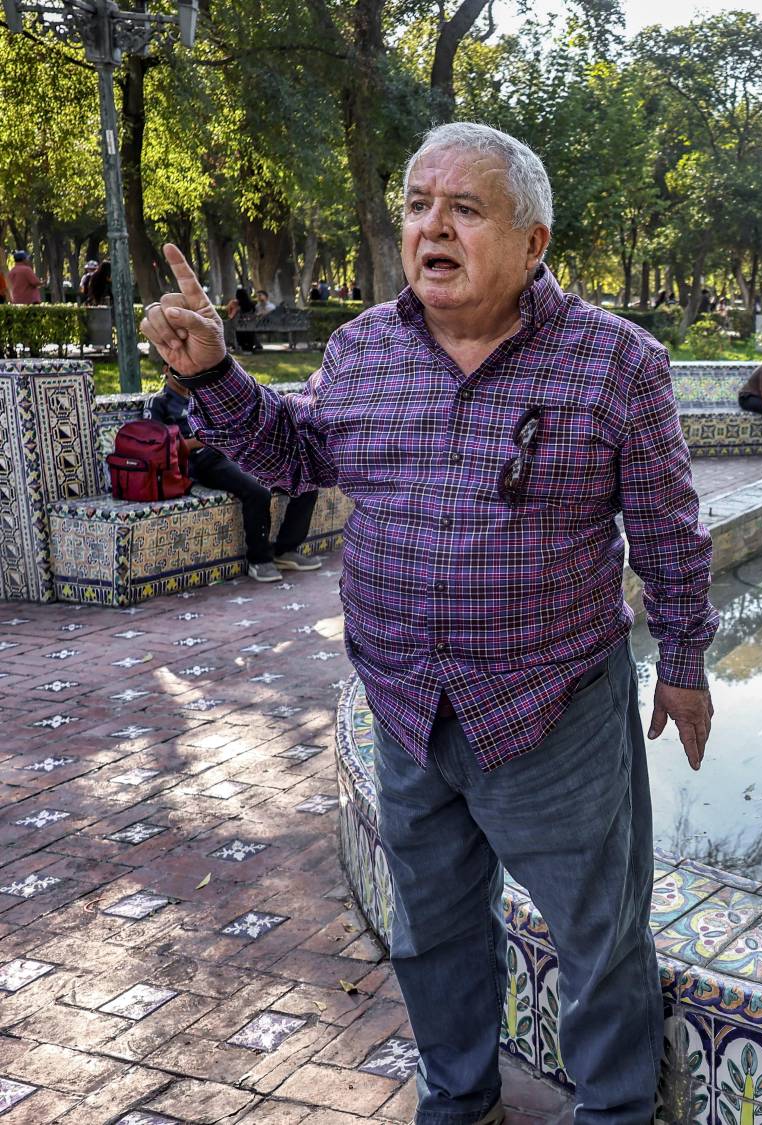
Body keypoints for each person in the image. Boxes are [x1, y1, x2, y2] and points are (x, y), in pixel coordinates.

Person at [140, 121, 717, 1125]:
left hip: (553, 713)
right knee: (435, 930)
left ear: (532, 242)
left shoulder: (616, 363)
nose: (432, 227)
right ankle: (458, 1096)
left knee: (599, 940)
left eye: (465, 208)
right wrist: (215, 377)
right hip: (406, 705)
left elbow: (667, 528)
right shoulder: (364, 348)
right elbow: (292, 459)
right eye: (417, 205)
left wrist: (685, 660)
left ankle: (617, 1111)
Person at [149, 369, 321, 582]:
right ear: (166, 370)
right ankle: (259, 560)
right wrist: (203, 440)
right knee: (257, 491)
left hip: (239, 452)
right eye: (177, 371)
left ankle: (286, 550)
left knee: (305, 481)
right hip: (205, 461)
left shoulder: (204, 397)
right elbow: (158, 448)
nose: (185, 375)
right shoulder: (159, 402)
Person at [225, 287, 260, 353]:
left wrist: (230, 306)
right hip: (251, 326)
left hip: (239, 326)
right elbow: (256, 314)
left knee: (227, 325)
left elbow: (231, 316)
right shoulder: (252, 304)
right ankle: (251, 347)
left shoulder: (236, 304)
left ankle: (230, 345)